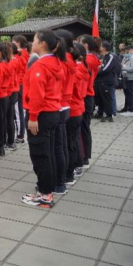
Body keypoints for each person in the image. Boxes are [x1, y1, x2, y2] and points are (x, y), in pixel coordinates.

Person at [22, 29, 63, 208]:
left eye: (34, 40)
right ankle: (46, 190)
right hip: (52, 112)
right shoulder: (55, 62)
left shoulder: (40, 66)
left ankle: (45, 195)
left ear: (43, 43)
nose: (32, 43)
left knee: (40, 155)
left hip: (41, 114)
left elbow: (37, 94)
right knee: (48, 154)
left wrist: (33, 117)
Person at [52, 30, 76, 195]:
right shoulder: (68, 59)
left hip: (59, 105)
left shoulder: (63, 61)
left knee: (58, 147)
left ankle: (59, 182)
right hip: (65, 104)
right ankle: (65, 177)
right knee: (62, 145)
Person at [66, 42, 89, 185]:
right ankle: (78, 164)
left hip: (73, 108)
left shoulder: (76, 70)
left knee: (71, 142)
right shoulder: (82, 68)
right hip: (79, 106)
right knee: (75, 139)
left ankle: (72, 168)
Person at [79, 35, 100, 168]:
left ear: (85, 45)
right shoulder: (93, 58)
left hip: (85, 95)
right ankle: (85, 156)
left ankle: (84, 157)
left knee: (83, 128)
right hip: (88, 94)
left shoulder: (88, 59)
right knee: (84, 127)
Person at [12, 35, 30, 142]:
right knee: (19, 109)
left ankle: (20, 135)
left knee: (18, 110)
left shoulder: (20, 54)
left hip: (19, 83)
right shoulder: (25, 53)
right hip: (22, 82)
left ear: (18, 43)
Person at [95, 41, 117, 122]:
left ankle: (109, 115)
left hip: (106, 81)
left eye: (101, 46)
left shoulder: (110, 57)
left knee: (107, 98)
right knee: (99, 98)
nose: (99, 47)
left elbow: (105, 69)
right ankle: (100, 113)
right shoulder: (102, 56)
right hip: (99, 81)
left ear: (104, 48)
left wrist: (95, 73)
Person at [120, 45, 133, 116]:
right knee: (132, 94)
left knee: (131, 94)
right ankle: (131, 109)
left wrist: (123, 67)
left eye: (128, 52)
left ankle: (132, 110)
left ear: (131, 50)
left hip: (132, 77)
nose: (127, 53)